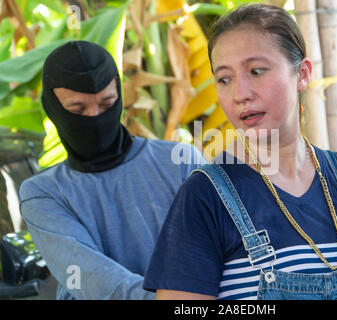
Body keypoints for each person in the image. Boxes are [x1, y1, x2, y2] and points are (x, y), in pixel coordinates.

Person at [143, 4, 337, 300]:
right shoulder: (204, 197)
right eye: (224, 79)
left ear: (302, 74)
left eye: (256, 71)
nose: (240, 93)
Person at [18, 40, 205, 300]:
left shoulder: (181, 162)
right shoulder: (43, 194)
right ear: (52, 108)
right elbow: (94, 279)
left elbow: (217, 252)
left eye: (106, 105)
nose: (95, 117)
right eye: (78, 109)